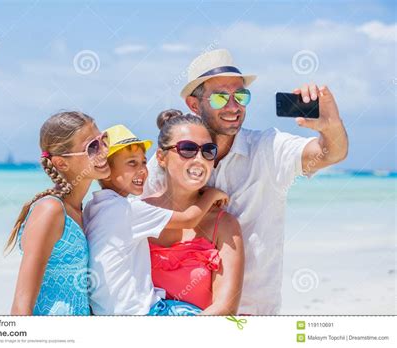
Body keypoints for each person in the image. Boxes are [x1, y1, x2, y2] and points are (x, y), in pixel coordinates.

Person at [142, 49, 349, 314]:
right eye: (219, 97)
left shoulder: (268, 149)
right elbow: (133, 227)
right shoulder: (169, 161)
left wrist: (330, 125)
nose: (233, 106)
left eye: (240, 96)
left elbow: (332, 154)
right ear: (194, 105)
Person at [83, 124, 228, 315]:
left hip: (106, 313)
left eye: (143, 162)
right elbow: (188, 219)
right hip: (142, 313)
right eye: (132, 163)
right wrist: (211, 194)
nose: (143, 170)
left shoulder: (92, 207)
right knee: (192, 313)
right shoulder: (128, 210)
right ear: (106, 169)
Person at [7, 111, 110, 315]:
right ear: (62, 163)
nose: (104, 151)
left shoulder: (81, 210)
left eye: (104, 140)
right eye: (93, 147)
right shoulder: (50, 210)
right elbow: (21, 304)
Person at [146, 110, 245, 315]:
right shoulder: (139, 213)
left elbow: (225, 309)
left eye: (208, 151)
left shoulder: (224, 225)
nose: (200, 159)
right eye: (188, 149)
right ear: (161, 157)